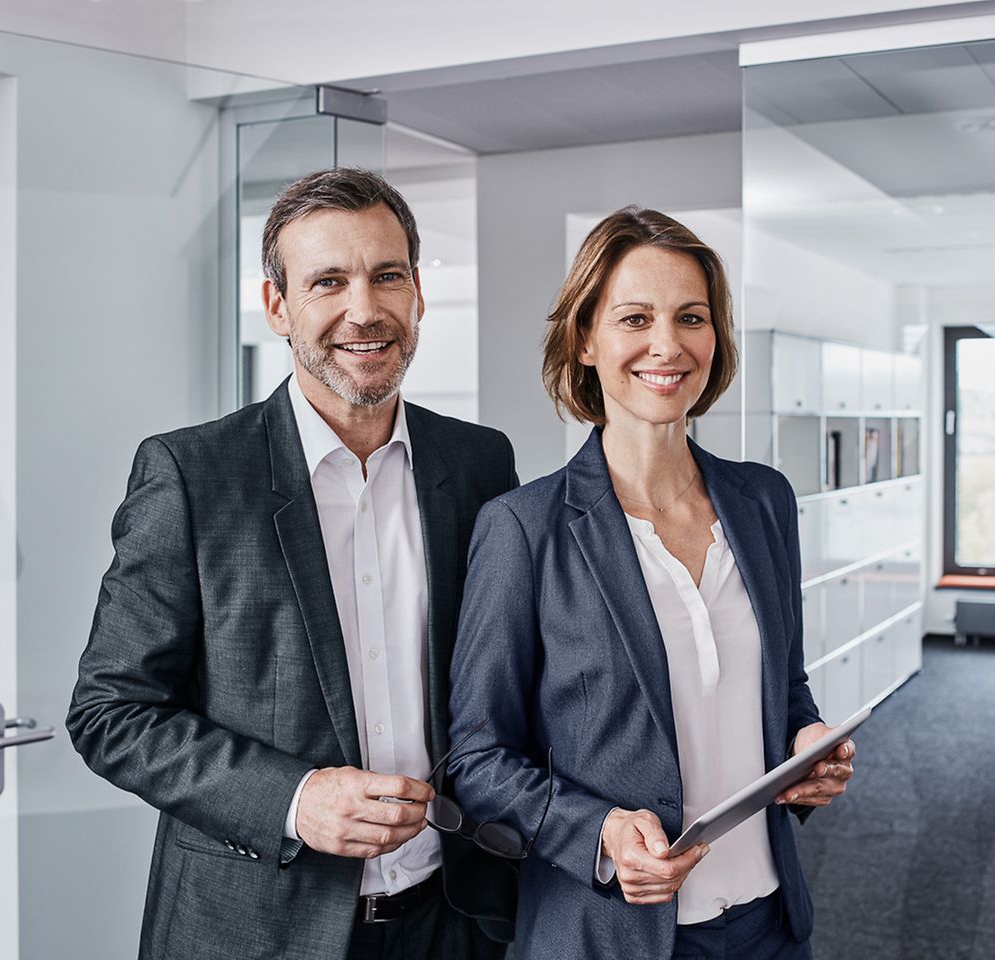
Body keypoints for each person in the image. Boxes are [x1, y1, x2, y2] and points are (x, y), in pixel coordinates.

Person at [68, 168, 517, 960]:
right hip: (256, 929)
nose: (365, 310)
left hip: (454, 920)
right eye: (328, 282)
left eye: (388, 276)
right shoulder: (192, 474)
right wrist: (295, 799)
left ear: (417, 293)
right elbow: (111, 713)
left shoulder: (479, 464)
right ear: (278, 306)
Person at [445, 207, 854, 959]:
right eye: (635, 318)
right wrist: (597, 832)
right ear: (585, 340)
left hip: (767, 925)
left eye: (691, 318)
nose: (667, 345)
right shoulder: (523, 529)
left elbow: (786, 688)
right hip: (610, 935)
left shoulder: (763, 502)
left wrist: (808, 745)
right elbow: (477, 760)